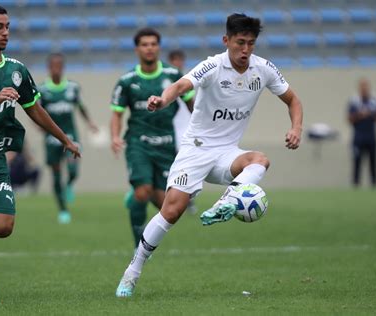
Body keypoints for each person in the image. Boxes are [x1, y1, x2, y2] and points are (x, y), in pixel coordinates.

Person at [115, 13, 303, 297]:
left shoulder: (263, 69)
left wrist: (296, 128)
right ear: (226, 41)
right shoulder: (212, 66)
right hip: (196, 150)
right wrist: (162, 100)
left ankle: (228, 199)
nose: (245, 50)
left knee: (260, 160)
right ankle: (132, 272)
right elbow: (180, 86)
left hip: (227, 154)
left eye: (251, 44)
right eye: (240, 43)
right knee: (172, 211)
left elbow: (293, 100)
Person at [0, 3, 80, 300]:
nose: (5, 32)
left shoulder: (17, 70)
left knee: (2, 227)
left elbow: (35, 109)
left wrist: (64, 139)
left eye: (7, 27)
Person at [110, 28, 194, 253]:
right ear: (137, 49)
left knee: (169, 206)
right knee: (143, 191)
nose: (149, 48)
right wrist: (115, 137)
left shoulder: (173, 74)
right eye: (145, 44)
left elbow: (191, 103)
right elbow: (117, 114)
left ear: (159, 47)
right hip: (139, 143)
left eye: (153, 44)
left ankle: (137, 195)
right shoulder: (127, 81)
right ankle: (139, 244)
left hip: (166, 145)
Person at [39, 53, 98, 224]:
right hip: (51, 137)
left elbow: (80, 107)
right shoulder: (42, 89)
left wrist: (90, 123)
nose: (56, 69)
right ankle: (63, 210)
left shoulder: (72, 87)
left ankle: (70, 184)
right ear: (49, 68)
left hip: (70, 135)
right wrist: (39, 126)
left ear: (63, 68)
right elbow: (36, 111)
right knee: (56, 175)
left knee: (73, 170)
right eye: (53, 66)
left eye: (59, 66)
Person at [168, 49, 198, 214]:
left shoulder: (188, 82)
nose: (178, 64)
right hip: (170, 130)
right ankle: (174, 199)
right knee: (171, 167)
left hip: (186, 131)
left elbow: (192, 106)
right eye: (175, 60)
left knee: (186, 168)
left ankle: (189, 200)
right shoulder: (166, 83)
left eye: (180, 60)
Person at [347, 78, 376, 187]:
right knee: (357, 162)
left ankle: (374, 184)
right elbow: (349, 119)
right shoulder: (354, 101)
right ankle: (356, 184)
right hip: (358, 138)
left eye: (366, 86)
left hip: (371, 137)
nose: (364, 88)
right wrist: (360, 115)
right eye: (362, 86)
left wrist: (370, 113)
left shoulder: (375, 101)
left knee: (373, 163)